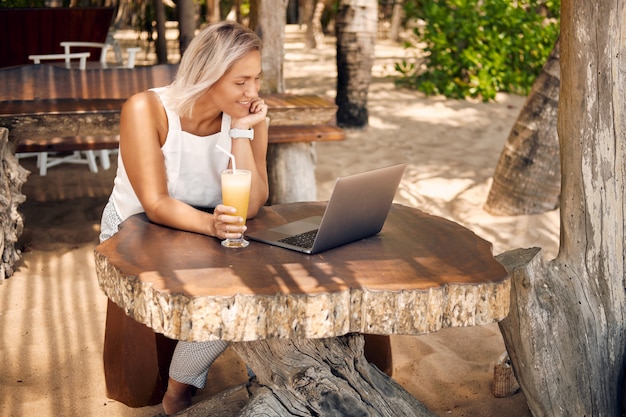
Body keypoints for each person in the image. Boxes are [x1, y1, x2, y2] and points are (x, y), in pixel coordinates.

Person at [99, 21, 269, 415]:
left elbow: (253, 204)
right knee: (227, 290)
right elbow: (155, 203)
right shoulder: (147, 109)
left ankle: (180, 381)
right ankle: (178, 393)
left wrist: (242, 133)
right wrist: (211, 226)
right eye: (241, 81)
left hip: (206, 230)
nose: (253, 93)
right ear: (208, 76)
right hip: (136, 230)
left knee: (251, 287)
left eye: (257, 79)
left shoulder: (246, 116)